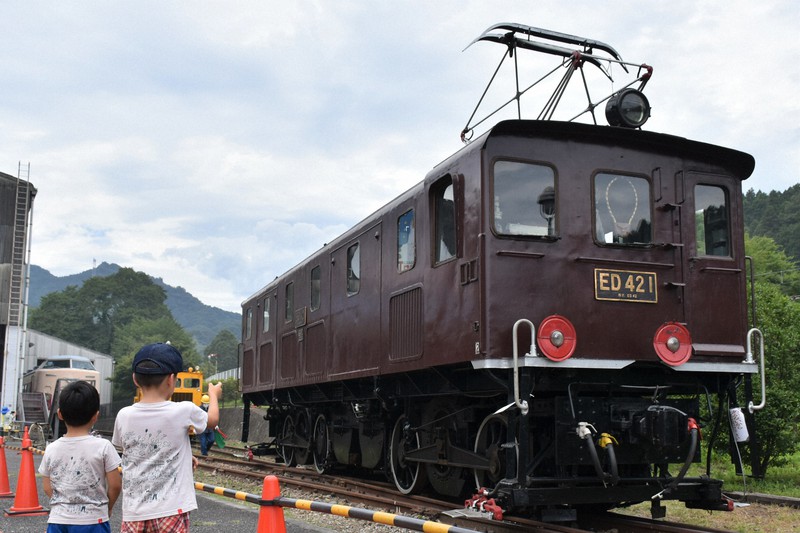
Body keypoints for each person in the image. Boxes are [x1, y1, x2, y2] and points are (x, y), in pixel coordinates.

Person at [112, 342, 222, 532]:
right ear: (171, 379)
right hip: (171, 510)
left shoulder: (124, 415)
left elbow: (135, 451)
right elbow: (212, 421)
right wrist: (213, 395)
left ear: (135, 379)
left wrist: (183, 456)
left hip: (134, 513)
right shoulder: (184, 410)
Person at [38, 380, 122, 532]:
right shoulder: (103, 446)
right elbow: (115, 485)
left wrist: (62, 505)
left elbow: (47, 486)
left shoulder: (51, 449)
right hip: (94, 520)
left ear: (60, 414)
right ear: (96, 416)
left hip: (58, 520)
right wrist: (108, 507)